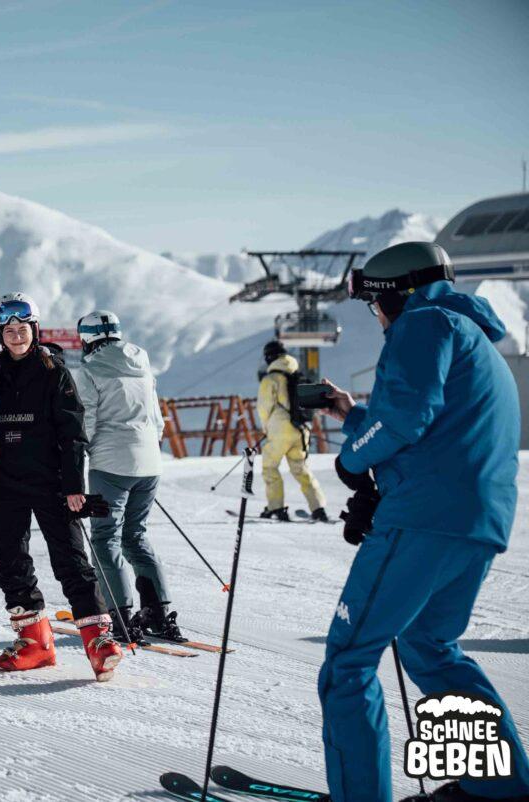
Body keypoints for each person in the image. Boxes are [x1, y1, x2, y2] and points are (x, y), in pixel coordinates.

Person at [318, 242, 529, 802]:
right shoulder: (473, 338)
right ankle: (500, 789)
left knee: (348, 661)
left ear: (395, 295)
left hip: (423, 519)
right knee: (428, 646)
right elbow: (433, 427)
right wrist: (353, 416)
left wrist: (351, 458)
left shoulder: (423, 323)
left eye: (375, 304)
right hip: (476, 522)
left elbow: (404, 420)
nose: (377, 317)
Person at [0, 294, 121, 681]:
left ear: (35, 329)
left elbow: (72, 432)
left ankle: (98, 640)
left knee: (71, 560)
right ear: (0, 334)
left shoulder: (53, 370)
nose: (16, 336)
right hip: (6, 481)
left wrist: (75, 484)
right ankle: (35, 643)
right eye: (9, 330)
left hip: (52, 481)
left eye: (22, 329)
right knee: (11, 562)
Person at [72, 309, 184, 644]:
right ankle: (157, 612)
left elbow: (87, 421)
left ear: (87, 339)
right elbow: (158, 420)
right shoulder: (143, 364)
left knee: (105, 538)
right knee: (135, 535)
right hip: (150, 465)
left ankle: (120, 616)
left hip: (111, 464)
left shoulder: (89, 371)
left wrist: (80, 454)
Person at [257, 339, 329, 522]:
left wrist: (266, 428)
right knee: (301, 469)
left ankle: (276, 508)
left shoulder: (270, 379)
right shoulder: (299, 375)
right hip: (301, 429)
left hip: (280, 429)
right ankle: (318, 508)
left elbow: (264, 408)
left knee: (270, 467)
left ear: (269, 357)